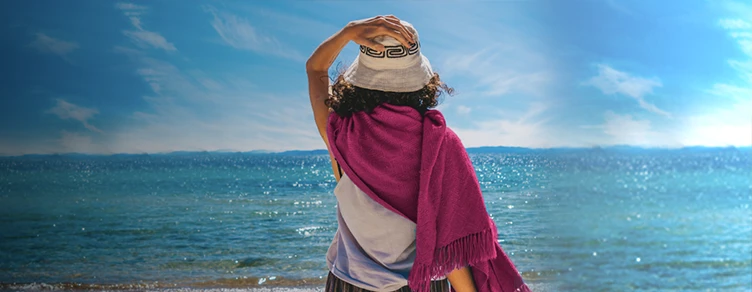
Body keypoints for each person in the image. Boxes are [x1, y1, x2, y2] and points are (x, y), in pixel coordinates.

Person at [306, 16, 530, 292]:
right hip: (422, 285)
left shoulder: (341, 133)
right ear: (418, 82)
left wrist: (349, 31)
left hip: (348, 284)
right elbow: (449, 244)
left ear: (361, 79)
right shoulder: (438, 145)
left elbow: (315, 68)